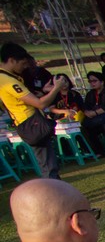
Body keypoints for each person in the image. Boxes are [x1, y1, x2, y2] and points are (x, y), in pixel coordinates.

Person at [0, 43, 65, 178]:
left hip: (29, 121)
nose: (25, 67)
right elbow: (40, 104)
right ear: (12, 60)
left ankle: (54, 187)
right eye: (23, 63)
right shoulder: (7, 81)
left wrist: (44, 91)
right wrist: (56, 88)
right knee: (48, 165)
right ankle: (52, 189)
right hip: (30, 122)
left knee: (49, 163)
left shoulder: (8, 77)